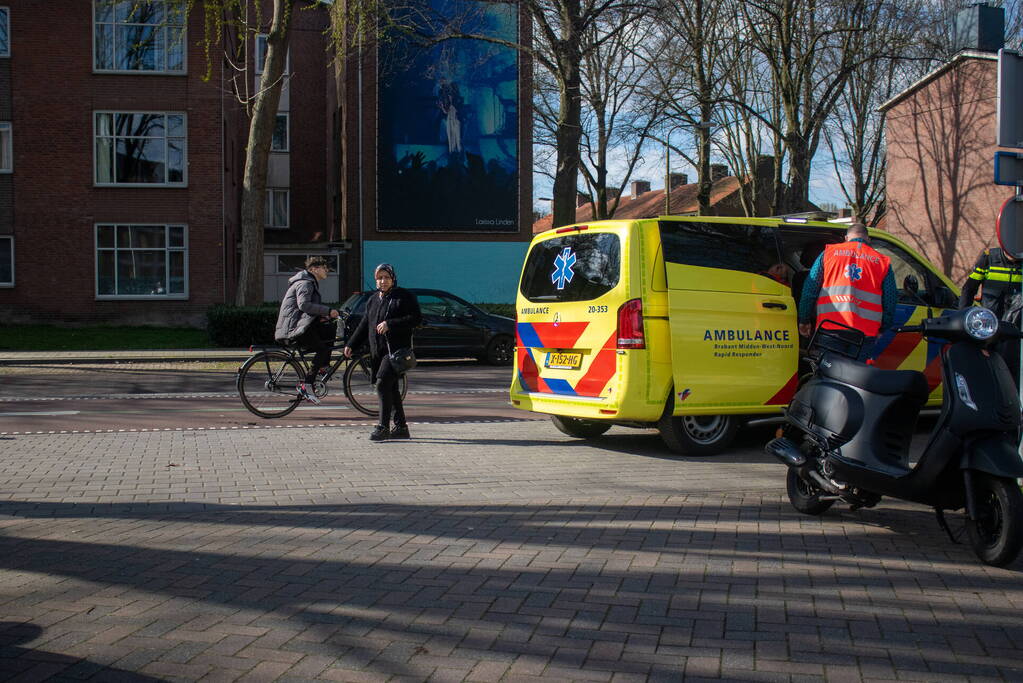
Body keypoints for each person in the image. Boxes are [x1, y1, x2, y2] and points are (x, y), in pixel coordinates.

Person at [343, 263, 422, 441]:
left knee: (382, 385)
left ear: (393, 278)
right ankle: (401, 427)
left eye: (386, 277)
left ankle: (383, 427)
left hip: (395, 351)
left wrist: (390, 323)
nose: (383, 281)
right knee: (391, 389)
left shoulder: (404, 296)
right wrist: (351, 344)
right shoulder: (373, 300)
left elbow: (416, 318)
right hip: (377, 351)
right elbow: (365, 324)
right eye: (379, 278)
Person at [798, 223, 897, 361]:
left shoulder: (828, 253)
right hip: (865, 333)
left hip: (830, 327)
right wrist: (883, 327)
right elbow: (890, 300)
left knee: (829, 374)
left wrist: (804, 319)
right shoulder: (881, 261)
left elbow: (810, 289)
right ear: (868, 239)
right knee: (855, 377)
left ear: (846, 238)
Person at [274, 256, 339, 404]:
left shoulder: (308, 282)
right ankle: (307, 385)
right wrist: (328, 311)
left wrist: (323, 316)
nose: (326, 270)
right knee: (322, 349)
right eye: (324, 267)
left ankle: (323, 367)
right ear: (313, 269)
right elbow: (304, 305)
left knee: (328, 329)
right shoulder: (306, 283)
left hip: (298, 325)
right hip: (294, 329)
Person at [958, 245, 1022, 386]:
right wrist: (964, 324)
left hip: (1016, 338)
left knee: (1013, 381)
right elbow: (968, 290)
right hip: (989, 334)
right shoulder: (989, 258)